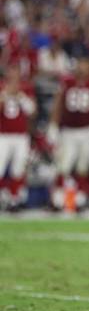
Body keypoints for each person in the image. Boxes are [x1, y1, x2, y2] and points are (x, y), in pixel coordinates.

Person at [47, 56, 89, 210]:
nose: (82, 67)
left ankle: (79, 200)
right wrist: (53, 126)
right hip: (68, 131)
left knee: (83, 167)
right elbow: (58, 105)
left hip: (88, 131)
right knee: (63, 166)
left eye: (85, 64)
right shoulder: (66, 83)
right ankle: (58, 200)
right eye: (81, 64)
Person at [0, 67, 36, 210]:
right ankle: (3, 196)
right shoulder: (2, 88)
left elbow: (32, 111)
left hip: (21, 136)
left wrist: (20, 97)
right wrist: (5, 95)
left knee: (18, 169)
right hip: (3, 135)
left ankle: (15, 199)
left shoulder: (26, 89)